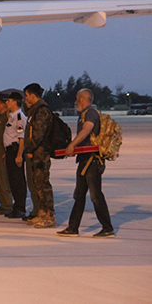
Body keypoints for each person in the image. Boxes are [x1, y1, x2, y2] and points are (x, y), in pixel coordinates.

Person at [58, 88, 115, 238]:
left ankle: (107, 228)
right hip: (85, 160)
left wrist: (72, 145)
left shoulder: (90, 113)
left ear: (82, 99)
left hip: (92, 160)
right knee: (79, 195)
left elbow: (86, 130)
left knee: (95, 195)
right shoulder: (85, 113)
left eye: (77, 99)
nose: (75, 102)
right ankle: (73, 227)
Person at [23, 83, 56, 228]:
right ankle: (42, 212)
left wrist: (29, 148)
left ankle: (49, 215)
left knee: (43, 184)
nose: (25, 98)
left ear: (32, 95)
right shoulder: (34, 111)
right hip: (36, 153)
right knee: (37, 183)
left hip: (41, 153)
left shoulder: (42, 111)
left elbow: (38, 134)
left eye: (26, 95)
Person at [3, 92, 28, 219]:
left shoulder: (19, 117)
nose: (6, 103)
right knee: (12, 180)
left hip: (15, 150)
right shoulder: (12, 116)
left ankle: (20, 208)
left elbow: (21, 138)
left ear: (15, 102)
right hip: (10, 150)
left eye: (9, 101)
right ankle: (16, 206)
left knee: (18, 180)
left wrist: (19, 155)